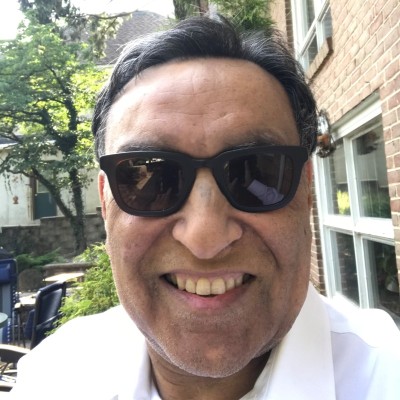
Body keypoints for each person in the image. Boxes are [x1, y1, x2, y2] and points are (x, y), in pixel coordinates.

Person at [11, 15, 400, 400]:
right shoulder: (51, 378)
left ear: (307, 191)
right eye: (149, 175)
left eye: (255, 170)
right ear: (106, 204)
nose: (205, 238)